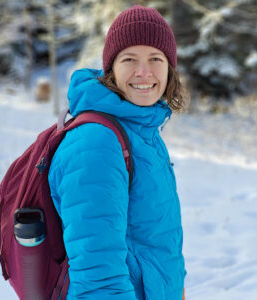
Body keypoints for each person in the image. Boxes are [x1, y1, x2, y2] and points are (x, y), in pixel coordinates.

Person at [48, 5, 187, 300]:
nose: (144, 71)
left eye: (155, 58)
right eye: (129, 59)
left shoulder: (141, 129)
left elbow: (154, 243)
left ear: (169, 67)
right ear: (111, 68)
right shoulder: (97, 142)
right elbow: (97, 276)